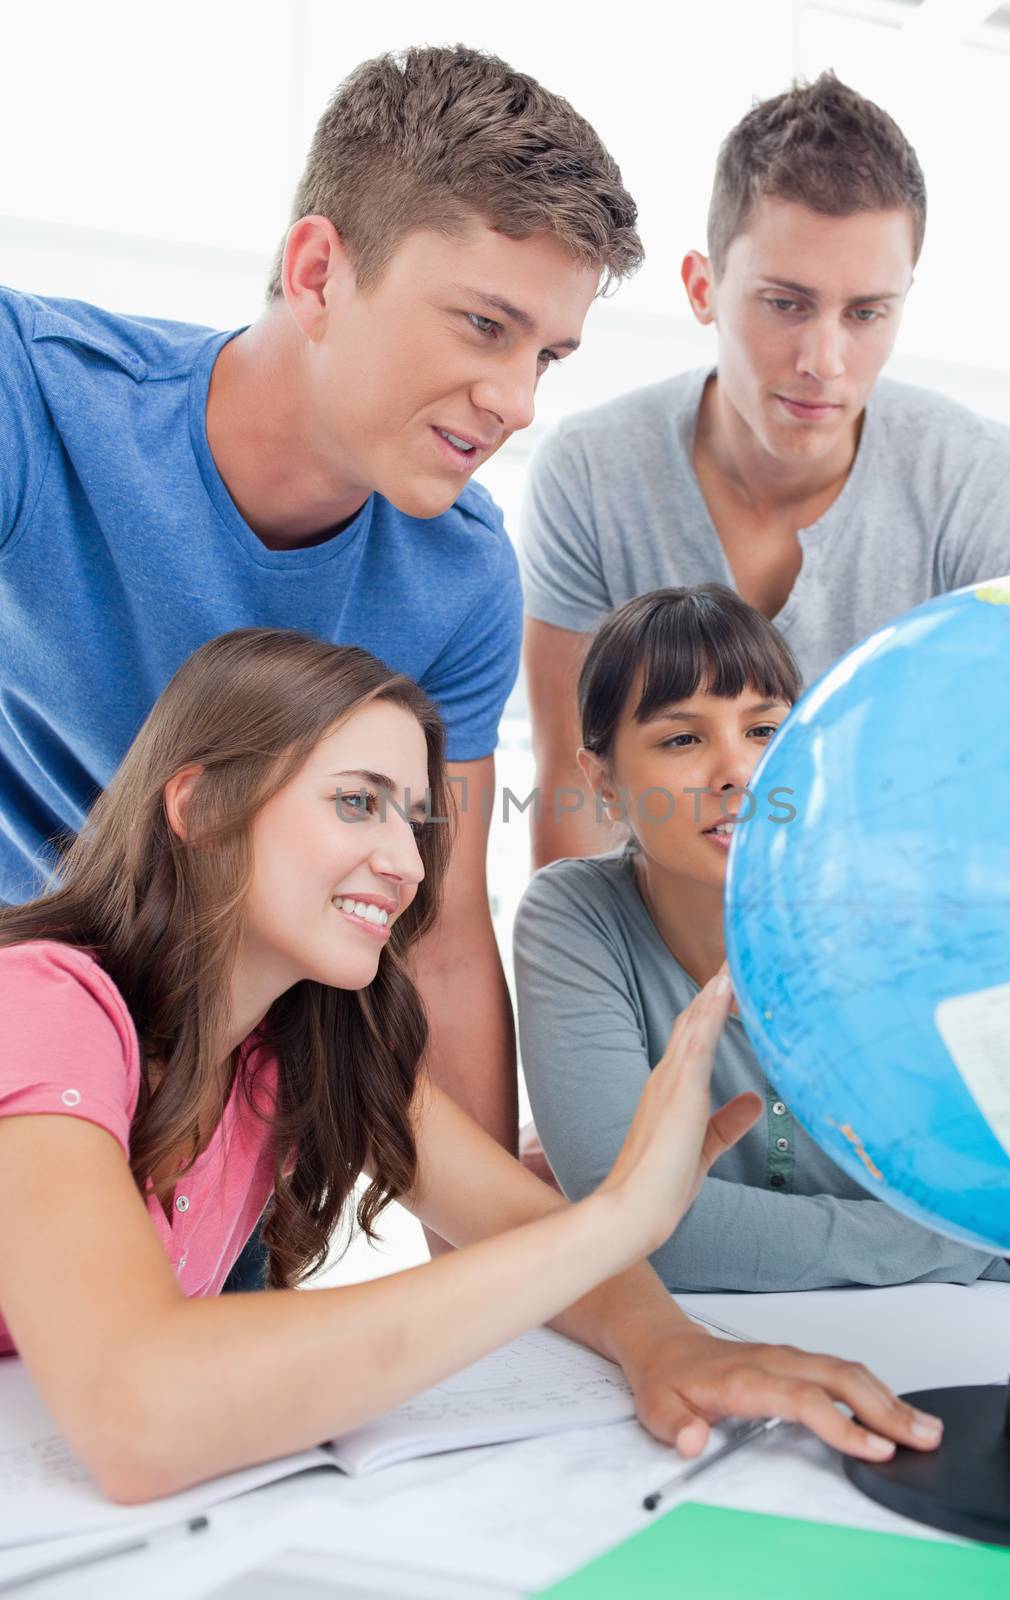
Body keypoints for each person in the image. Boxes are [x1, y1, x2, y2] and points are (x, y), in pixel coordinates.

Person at [0, 627, 945, 1503]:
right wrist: (618, 1217)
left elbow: (510, 1223)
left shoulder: (297, 1044)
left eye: (414, 821)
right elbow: (136, 1414)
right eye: (356, 803)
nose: (407, 865)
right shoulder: (42, 1003)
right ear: (203, 807)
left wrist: (666, 1345)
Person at [0, 45, 645, 1266]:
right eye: (483, 324)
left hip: (228, 1118)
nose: (517, 399)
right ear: (317, 273)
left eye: (547, 355)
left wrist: (490, 1266)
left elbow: (444, 934)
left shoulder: (458, 573)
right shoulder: (37, 397)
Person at [520, 71, 1010, 870]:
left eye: (865, 313)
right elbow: (575, 795)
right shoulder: (590, 475)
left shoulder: (989, 491)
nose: (824, 361)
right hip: (662, 947)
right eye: (785, 303)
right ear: (702, 288)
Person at [515, 586, 1010, 1292]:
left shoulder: (897, 912)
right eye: (681, 738)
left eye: (764, 731)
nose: (739, 774)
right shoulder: (575, 916)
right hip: (753, 1342)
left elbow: (1007, 1209)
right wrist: (945, 1242)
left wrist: (974, 1240)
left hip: (982, 1325)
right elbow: (627, 1228)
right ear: (603, 781)